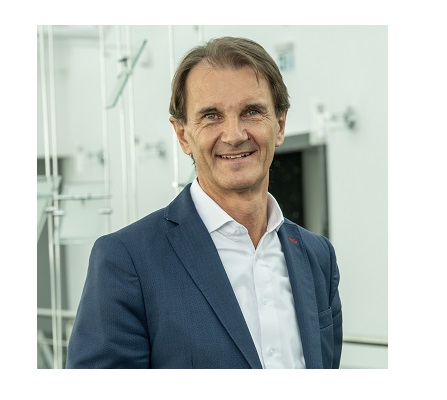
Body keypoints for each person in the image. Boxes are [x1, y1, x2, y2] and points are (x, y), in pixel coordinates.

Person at [66, 36, 342, 369]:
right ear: (183, 135)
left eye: (252, 112)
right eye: (211, 116)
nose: (234, 134)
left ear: (280, 125)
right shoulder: (127, 260)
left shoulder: (317, 256)